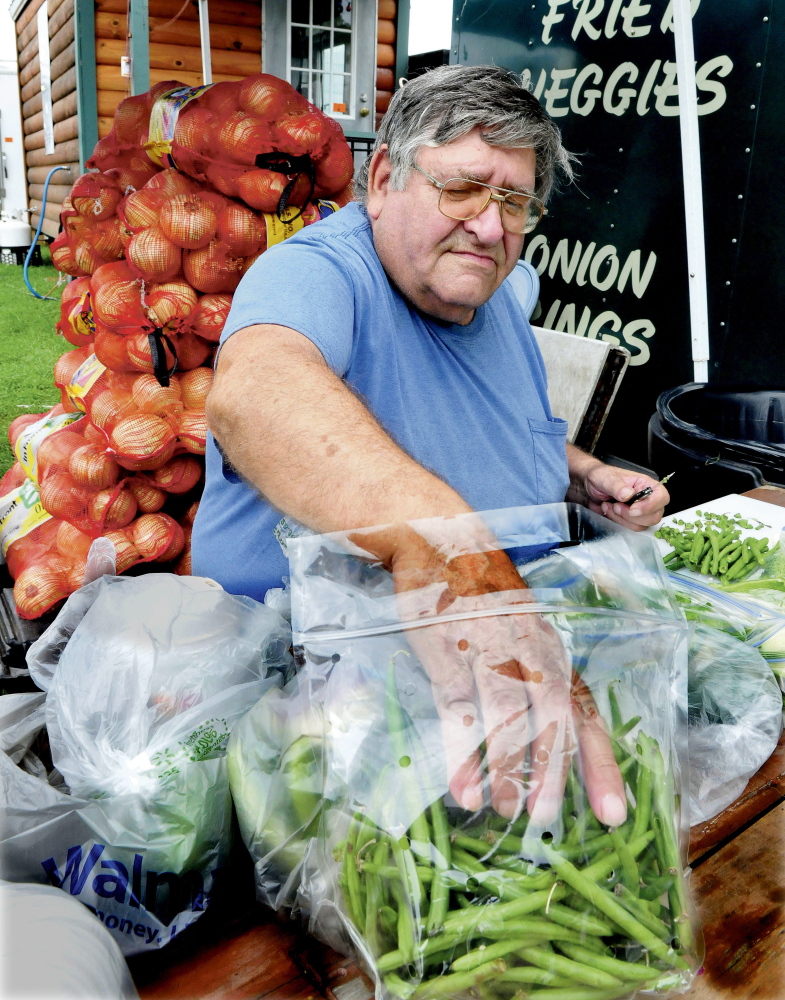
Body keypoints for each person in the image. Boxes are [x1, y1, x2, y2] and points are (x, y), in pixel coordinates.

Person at [192, 64, 670, 825]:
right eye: (464, 188)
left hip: (503, 655)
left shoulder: (499, 285)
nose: (490, 225)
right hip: (316, 717)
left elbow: (495, 419)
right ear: (383, 178)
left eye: (515, 200)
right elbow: (255, 393)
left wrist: (578, 475)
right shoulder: (315, 270)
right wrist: (446, 547)